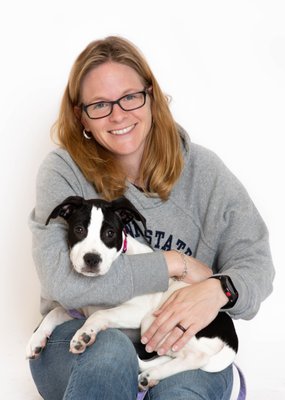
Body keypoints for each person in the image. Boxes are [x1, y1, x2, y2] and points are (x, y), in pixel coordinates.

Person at [28, 36, 274, 400]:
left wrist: (218, 289)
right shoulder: (63, 172)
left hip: (180, 348)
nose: (118, 114)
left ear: (152, 97)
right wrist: (174, 264)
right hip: (76, 341)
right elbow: (64, 283)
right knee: (110, 351)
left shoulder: (204, 171)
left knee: (182, 393)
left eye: (129, 97)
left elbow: (256, 264)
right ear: (81, 116)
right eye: (99, 104)